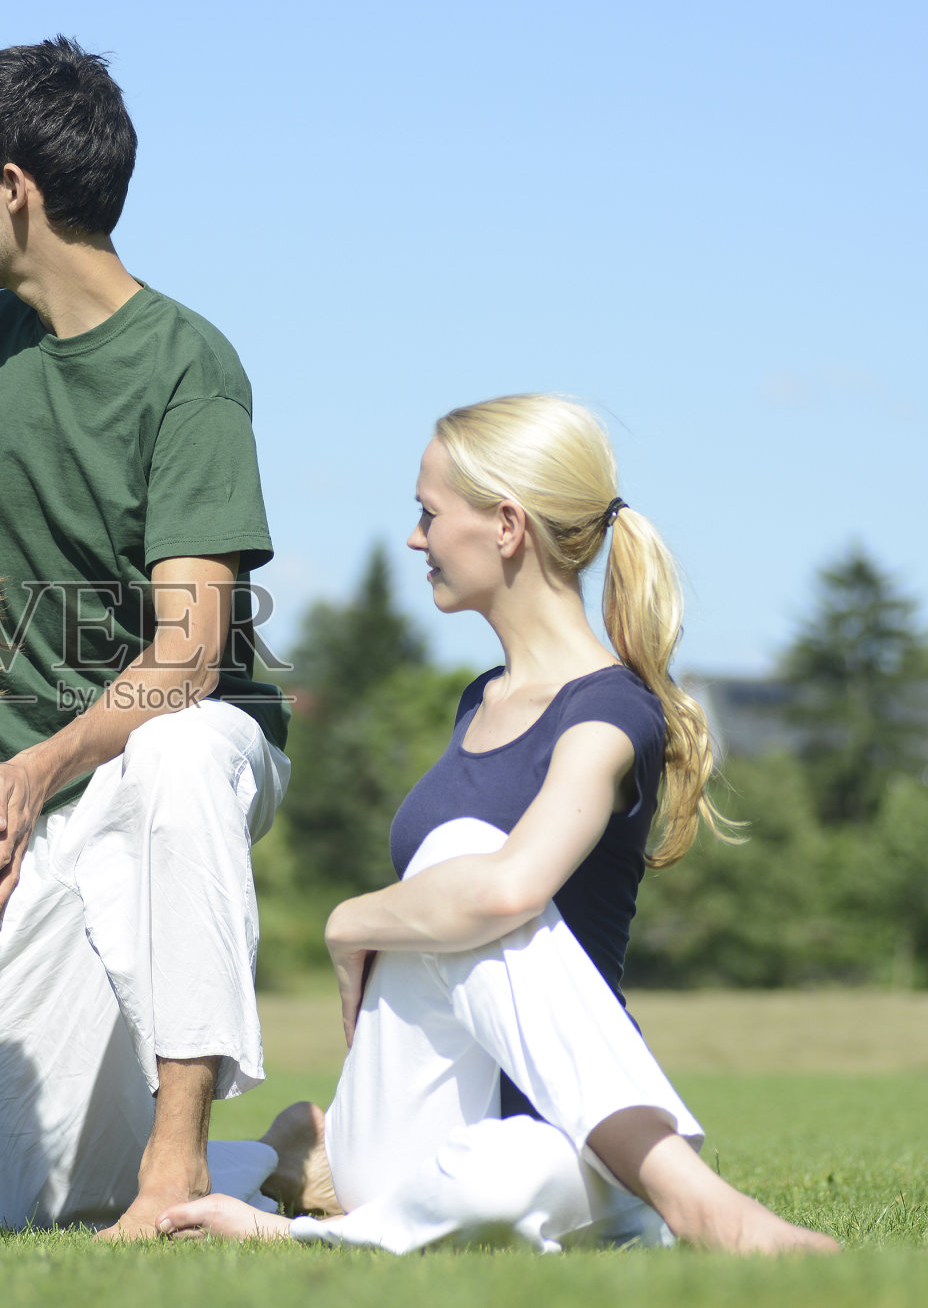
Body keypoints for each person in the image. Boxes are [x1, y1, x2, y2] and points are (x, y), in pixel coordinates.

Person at [158, 395, 839, 1255]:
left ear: (507, 525)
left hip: (560, 1130)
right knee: (462, 853)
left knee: (507, 1174)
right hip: (412, 1112)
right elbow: (486, 891)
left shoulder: (612, 712)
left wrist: (349, 920)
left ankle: (311, 1170)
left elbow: (512, 889)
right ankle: (696, 1201)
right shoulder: (477, 700)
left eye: (428, 513)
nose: (416, 539)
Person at [0, 38, 291, 1239]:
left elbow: (187, 658)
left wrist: (38, 764)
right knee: (55, 1200)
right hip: (45, 795)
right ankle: (281, 1161)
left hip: (190, 746)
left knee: (174, 757)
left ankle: (180, 1162)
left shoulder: (189, 363)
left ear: (11, 186)